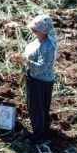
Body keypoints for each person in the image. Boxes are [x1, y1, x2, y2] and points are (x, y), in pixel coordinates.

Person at [23, 14, 57, 144]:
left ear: (43, 31)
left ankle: (38, 135)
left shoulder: (48, 46)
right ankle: (43, 129)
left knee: (37, 107)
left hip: (40, 80)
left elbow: (42, 67)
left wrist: (25, 61)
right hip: (36, 78)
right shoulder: (40, 41)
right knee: (41, 106)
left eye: (35, 30)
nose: (33, 31)